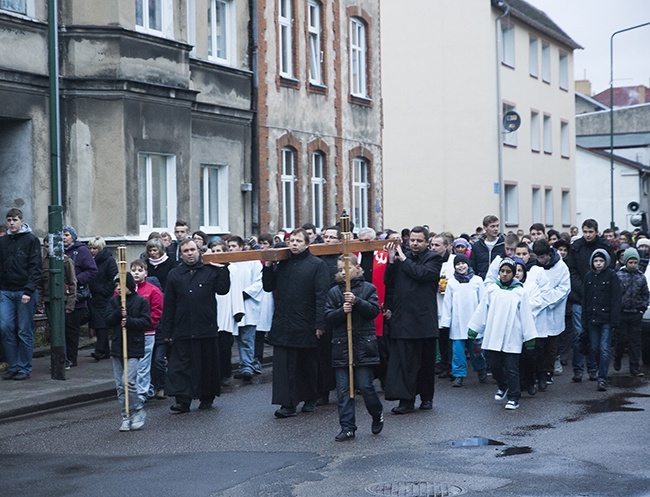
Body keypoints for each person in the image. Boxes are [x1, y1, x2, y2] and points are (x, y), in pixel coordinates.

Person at [263, 228, 330, 418]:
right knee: (284, 366)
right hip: (283, 322)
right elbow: (269, 286)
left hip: (306, 323)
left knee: (306, 364)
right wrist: (267, 266)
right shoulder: (283, 263)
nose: (293, 244)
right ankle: (288, 403)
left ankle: (310, 398)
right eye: (291, 240)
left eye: (298, 241)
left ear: (307, 244)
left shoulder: (317, 265)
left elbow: (321, 296)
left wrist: (320, 323)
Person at [160, 239, 230, 413]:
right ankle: (182, 400)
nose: (190, 253)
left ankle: (207, 397)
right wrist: (166, 331)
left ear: (199, 251)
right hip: (183, 328)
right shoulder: (175, 274)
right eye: (185, 251)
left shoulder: (210, 270)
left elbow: (223, 289)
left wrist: (223, 268)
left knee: (207, 366)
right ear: (181, 254)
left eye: (192, 250)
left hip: (206, 327)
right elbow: (169, 304)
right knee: (181, 367)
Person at [325, 254, 383, 441]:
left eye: (347, 268)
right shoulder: (334, 292)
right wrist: (341, 311)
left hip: (363, 345)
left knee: (365, 386)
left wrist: (357, 302)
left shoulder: (368, 288)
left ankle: (376, 413)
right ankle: (347, 426)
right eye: (340, 269)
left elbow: (374, 311)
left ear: (357, 269)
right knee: (343, 390)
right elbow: (329, 317)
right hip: (342, 346)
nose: (343, 272)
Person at [384, 226, 441, 414]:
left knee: (425, 362)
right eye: (412, 240)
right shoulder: (402, 257)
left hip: (424, 318)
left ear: (426, 242)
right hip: (403, 318)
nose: (414, 243)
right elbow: (389, 282)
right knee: (404, 361)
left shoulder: (433, 258)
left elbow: (422, 274)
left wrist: (403, 258)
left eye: (419, 241)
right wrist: (391, 261)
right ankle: (405, 401)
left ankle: (426, 398)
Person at [468, 258, 537, 410]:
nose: (505, 274)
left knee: (512, 367)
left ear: (513, 274)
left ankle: (514, 396)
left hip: (513, 334)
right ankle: (503, 385)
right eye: (502, 271)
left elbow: (526, 315)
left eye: (508, 272)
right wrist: (474, 327)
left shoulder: (520, 292)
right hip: (494, 333)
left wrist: (529, 337)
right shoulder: (492, 290)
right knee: (494, 365)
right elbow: (482, 310)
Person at [567, 219, 614, 383]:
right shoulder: (576, 247)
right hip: (580, 297)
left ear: (596, 231)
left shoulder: (605, 246)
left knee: (597, 339)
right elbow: (571, 270)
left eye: (590, 232)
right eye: (585, 231)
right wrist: (583, 288)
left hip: (600, 299)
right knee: (579, 334)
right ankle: (578, 369)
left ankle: (593, 369)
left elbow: (610, 269)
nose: (587, 235)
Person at [105, 272, 151, 431]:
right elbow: (108, 320)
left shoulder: (141, 301)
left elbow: (146, 321)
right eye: (116, 285)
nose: (118, 288)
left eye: (120, 285)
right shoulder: (114, 302)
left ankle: (137, 408)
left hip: (134, 347)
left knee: (128, 382)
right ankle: (125, 415)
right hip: (118, 347)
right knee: (120, 385)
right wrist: (118, 313)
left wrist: (130, 321)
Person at [0, 208, 42, 380]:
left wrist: (29, 290)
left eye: (15, 220)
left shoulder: (31, 240)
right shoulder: (3, 242)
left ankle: (24, 367)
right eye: (9, 220)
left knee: (24, 330)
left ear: (21, 221)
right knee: (5, 327)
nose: (12, 223)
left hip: (24, 291)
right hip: (6, 291)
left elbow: (35, 267)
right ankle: (13, 365)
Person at [439, 254, 486, 387]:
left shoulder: (477, 280)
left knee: (477, 351)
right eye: (458, 264)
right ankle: (458, 375)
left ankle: (480, 368)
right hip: (457, 323)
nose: (461, 266)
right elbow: (447, 304)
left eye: (463, 263)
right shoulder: (452, 283)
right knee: (458, 352)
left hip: (474, 323)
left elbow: (483, 301)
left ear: (468, 264)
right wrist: (445, 322)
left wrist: (483, 320)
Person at [532, 239, 571, 388]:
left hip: (553, 309)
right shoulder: (535, 267)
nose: (540, 260)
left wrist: (547, 299)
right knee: (538, 345)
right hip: (538, 310)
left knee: (551, 344)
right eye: (538, 257)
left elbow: (564, 288)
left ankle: (549, 371)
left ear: (549, 254)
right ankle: (538, 372)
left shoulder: (561, 267)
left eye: (542, 257)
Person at [582, 249, 622, 391]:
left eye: (601, 261)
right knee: (594, 348)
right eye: (596, 261)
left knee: (604, 348)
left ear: (606, 262)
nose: (598, 264)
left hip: (607, 318)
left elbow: (616, 298)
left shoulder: (611, 276)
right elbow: (585, 300)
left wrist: (614, 320)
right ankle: (600, 369)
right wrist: (584, 320)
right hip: (592, 318)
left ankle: (602, 378)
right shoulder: (588, 277)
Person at [227, 235, 264, 382]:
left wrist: (245, 293)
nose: (231, 249)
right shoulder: (228, 262)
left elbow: (259, 281)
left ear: (242, 247)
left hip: (248, 303)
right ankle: (233, 367)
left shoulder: (253, 262)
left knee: (247, 338)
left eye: (234, 246)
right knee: (233, 339)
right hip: (232, 305)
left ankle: (247, 366)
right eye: (229, 247)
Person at [63, 225, 98, 369]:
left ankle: (71, 358)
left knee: (72, 329)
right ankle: (62, 358)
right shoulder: (58, 252)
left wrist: (75, 280)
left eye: (66, 235)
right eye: (62, 235)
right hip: (61, 295)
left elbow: (92, 270)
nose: (63, 238)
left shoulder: (81, 251)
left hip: (76, 297)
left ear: (73, 237)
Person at [130, 259, 164, 404]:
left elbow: (156, 312)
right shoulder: (125, 289)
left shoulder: (153, 290)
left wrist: (148, 324)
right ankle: (144, 388)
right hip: (130, 332)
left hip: (147, 332)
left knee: (144, 364)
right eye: (134, 270)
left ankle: (142, 392)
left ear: (146, 273)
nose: (136, 273)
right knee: (133, 364)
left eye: (140, 270)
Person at [614, 248, 649, 378]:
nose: (633, 265)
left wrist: (642, 308)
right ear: (625, 262)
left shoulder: (641, 277)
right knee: (621, 339)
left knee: (635, 341)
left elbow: (645, 294)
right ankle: (617, 357)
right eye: (631, 262)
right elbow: (615, 294)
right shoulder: (619, 275)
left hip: (635, 313)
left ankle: (634, 367)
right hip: (622, 313)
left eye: (635, 262)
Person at [87, 236, 118, 361]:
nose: (92, 251)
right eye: (91, 248)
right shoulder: (92, 260)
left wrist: (105, 291)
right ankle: (104, 350)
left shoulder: (109, 261)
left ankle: (100, 350)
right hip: (94, 296)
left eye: (95, 248)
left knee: (101, 325)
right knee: (99, 324)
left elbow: (113, 278)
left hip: (103, 297)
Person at [469, 215, 505, 279]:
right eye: (492, 226)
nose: (496, 229)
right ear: (485, 228)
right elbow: (472, 266)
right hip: (481, 281)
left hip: (499, 282)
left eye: (497, 226)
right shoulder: (477, 246)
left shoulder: (503, 244)